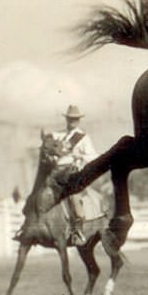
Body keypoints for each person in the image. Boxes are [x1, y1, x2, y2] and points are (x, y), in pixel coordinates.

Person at [53, 105, 97, 245]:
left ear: (79, 120)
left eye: (75, 119)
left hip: (73, 172)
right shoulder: (58, 135)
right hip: (56, 172)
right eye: (70, 119)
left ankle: (77, 230)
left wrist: (80, 157)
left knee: (72, 197)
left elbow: (93, 157)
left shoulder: (83, 138)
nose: (72, 121)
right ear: (66, 119)